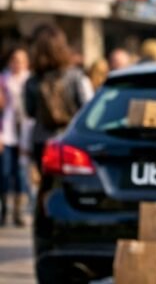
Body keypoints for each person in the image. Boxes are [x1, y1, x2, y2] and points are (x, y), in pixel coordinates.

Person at [23, 25, 94, 170]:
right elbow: (88, 109)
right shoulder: (76, 76)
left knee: (46, 187)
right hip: (70, 141)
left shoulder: (32, 80)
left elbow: (29, 112)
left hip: (41, 141)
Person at [0, 48, 29, 226]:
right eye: (14, 59)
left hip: (25, 133)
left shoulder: (30, 80)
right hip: (7, 133)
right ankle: (5, 210)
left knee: (21, 174)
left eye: (20, 60)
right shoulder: (4, 79)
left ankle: (19, 212)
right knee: (4, 172)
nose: (17, 64)